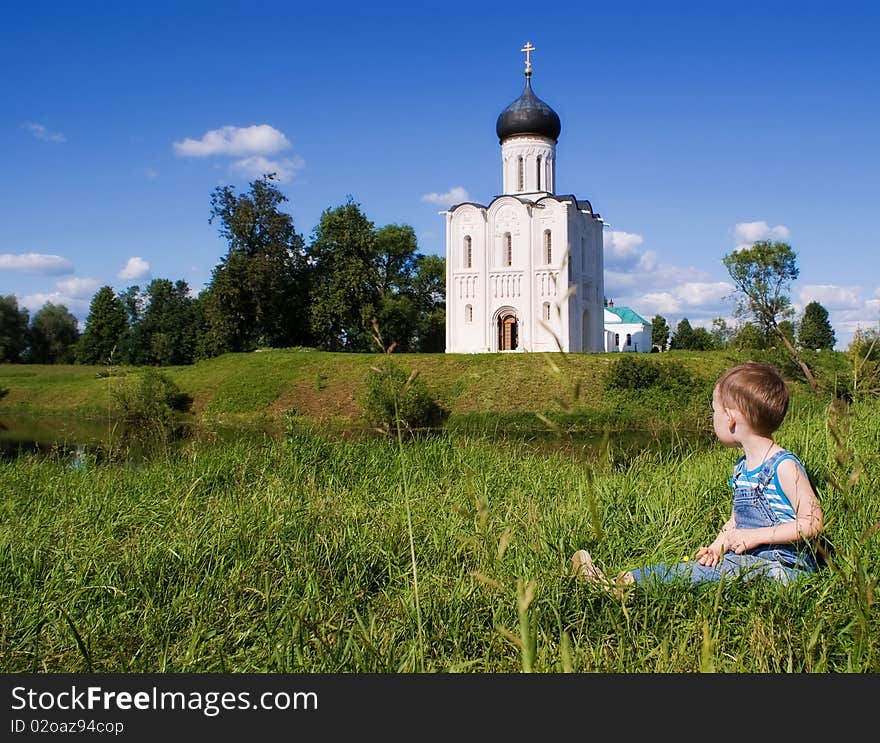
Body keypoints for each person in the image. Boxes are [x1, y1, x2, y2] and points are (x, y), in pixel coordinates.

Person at [571, 362, 825, 594]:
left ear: (731, 419)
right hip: (750, 560)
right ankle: (626, 582)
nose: (712, 418)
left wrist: (757, 536)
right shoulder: (743, 468)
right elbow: (738, 520)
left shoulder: (784, 466)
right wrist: (718, 546)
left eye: (714, 411)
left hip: (785, 568)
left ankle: (623, 585)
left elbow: (813, 522)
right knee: (708, 568)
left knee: (710, 573)